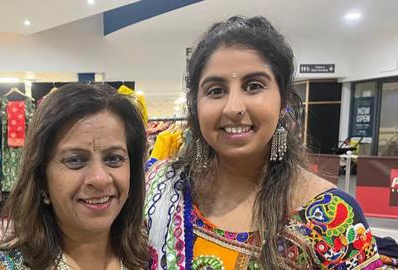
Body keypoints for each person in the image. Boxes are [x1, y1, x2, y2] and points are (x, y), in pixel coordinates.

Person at [144, 16, 383, 269]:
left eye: (253, 86)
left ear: (283, 103)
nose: (233, 107)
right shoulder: (162, 187)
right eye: (216, 90)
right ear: (195, 107)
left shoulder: (334, 217)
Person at [0, 83, 149, 269]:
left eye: (114, 158)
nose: (100, 179)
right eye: (76, 160)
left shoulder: (152, 259)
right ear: (42, 179)